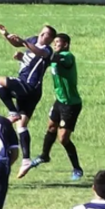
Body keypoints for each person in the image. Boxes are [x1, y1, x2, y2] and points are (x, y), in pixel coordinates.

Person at [0, 24, 56, 178]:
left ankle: (12, 111)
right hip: (32, 92)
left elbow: (39, 52)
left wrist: (24, 42)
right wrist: (6, 35)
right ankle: (26, 160)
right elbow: (17, 43)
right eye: (42, 32)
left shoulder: (47, 50)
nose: (42, 35)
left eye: (46, 34)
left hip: (28, 86)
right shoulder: (33, 40)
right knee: (21, 125)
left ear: (51, 39)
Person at [27, 33, 83, 180]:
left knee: (63, 138)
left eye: (58, 42)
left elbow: (54, 58)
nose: (55, 44)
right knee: (51, 127)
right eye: (54, 42)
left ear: (65, 44)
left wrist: (31, 46)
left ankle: (77, 169)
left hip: (71, 104)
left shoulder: (67, 56)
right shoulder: (53, 58)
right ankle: (44, 156)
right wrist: (22, 58)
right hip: (59, 101)